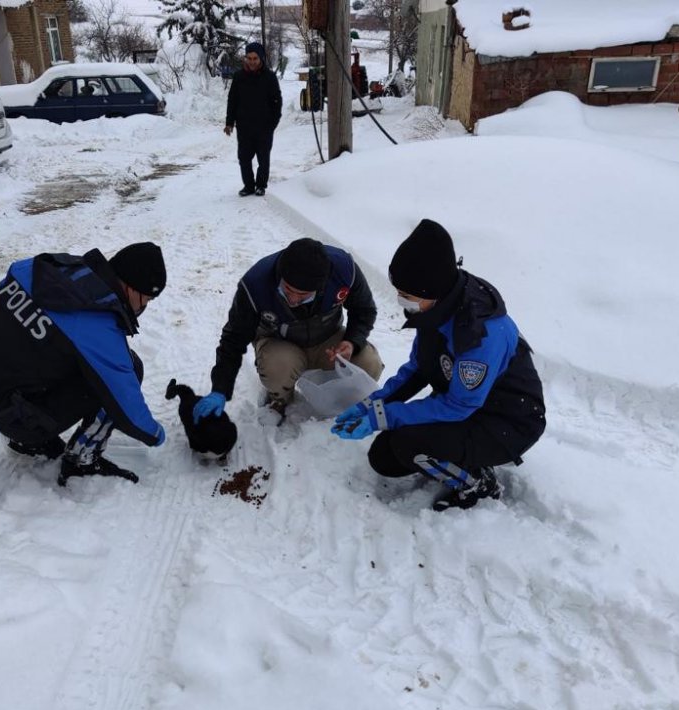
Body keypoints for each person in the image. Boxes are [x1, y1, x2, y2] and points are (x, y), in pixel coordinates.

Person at [332, 219, 545, 511]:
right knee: (384, 456)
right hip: (470, 407)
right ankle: (457, 455)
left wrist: (384, 418)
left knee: (407, 445)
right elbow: (418, 368)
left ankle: (476, 484)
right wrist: (372, 405)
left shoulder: (479, 335)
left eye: (407, 296)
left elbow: (459, 406)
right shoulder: (437, 310)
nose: (401, 301)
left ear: (433, 291)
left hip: (506, 422)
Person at [0, 242, 167, 486]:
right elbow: (126, 405)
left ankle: (27, 437)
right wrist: (157, 435)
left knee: (67, 354)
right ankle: (81, 460)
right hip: (17, 415)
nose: (144, 307)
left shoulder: (52, 270)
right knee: (127, 368)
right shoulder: (96, 321)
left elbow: (1, 306)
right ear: (130, 287)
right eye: (146, 299)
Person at [194, 238, 384, 425]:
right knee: (278, 367)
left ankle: (340, 401)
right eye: (288, 289)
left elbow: (364, 310)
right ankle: (280, 399)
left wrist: (351, 341)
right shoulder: (255, 284)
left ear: (321, 286)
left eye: (303, 295)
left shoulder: (344, 271)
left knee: (369, 363)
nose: (293, 299)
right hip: (281, 343)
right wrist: (220, 389)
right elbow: (233, 338)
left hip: (328, 341)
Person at [224, 41, 282, 197]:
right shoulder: (239, 77)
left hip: (264, 127)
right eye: (248, 58)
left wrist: (272, 124)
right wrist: (229, 122)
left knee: (263, 159)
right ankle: (248, 186)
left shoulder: (269, 78)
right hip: (244, 127)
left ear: (261, 59)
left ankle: (261, 185)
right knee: (244, 158)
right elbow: (232, 100)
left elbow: (277, 102)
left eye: (255, 58)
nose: (251, 62)